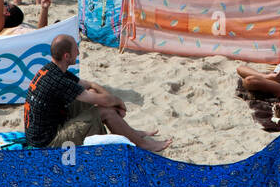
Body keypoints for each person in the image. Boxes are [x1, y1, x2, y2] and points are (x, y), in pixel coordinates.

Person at [24, 33, 171, 150]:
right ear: (66, 56)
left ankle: (132, 133)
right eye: (76, 49)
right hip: (47, 144)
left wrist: (105, 95)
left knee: (94, 97)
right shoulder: (58, 81)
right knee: (104, 110)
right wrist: (119, 102)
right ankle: (143, 144)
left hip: (49, 128)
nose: (79, 52)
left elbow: (89, 85)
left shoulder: (51, 69)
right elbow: (103, 101)